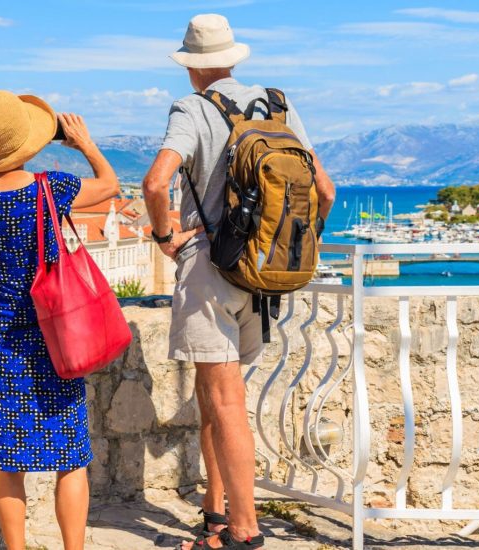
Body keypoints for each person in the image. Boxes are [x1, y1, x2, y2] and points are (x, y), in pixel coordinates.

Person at [142, 14, 336, 550]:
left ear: (191, 67)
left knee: (224, 403)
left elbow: (156, 181)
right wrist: (294, 244)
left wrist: (166, 235)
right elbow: (324, 190)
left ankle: (245, 530)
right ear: (232, 57)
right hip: (262, 273)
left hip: (211, 269)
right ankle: (215, 515)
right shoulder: (278, 105)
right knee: (216, 397)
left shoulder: (193, 109)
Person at [0, 90, 121, 550]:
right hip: (55, 335)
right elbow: (110, 185)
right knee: (70, 458)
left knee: (9, 464)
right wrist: (85, 144)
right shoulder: (51, 188)